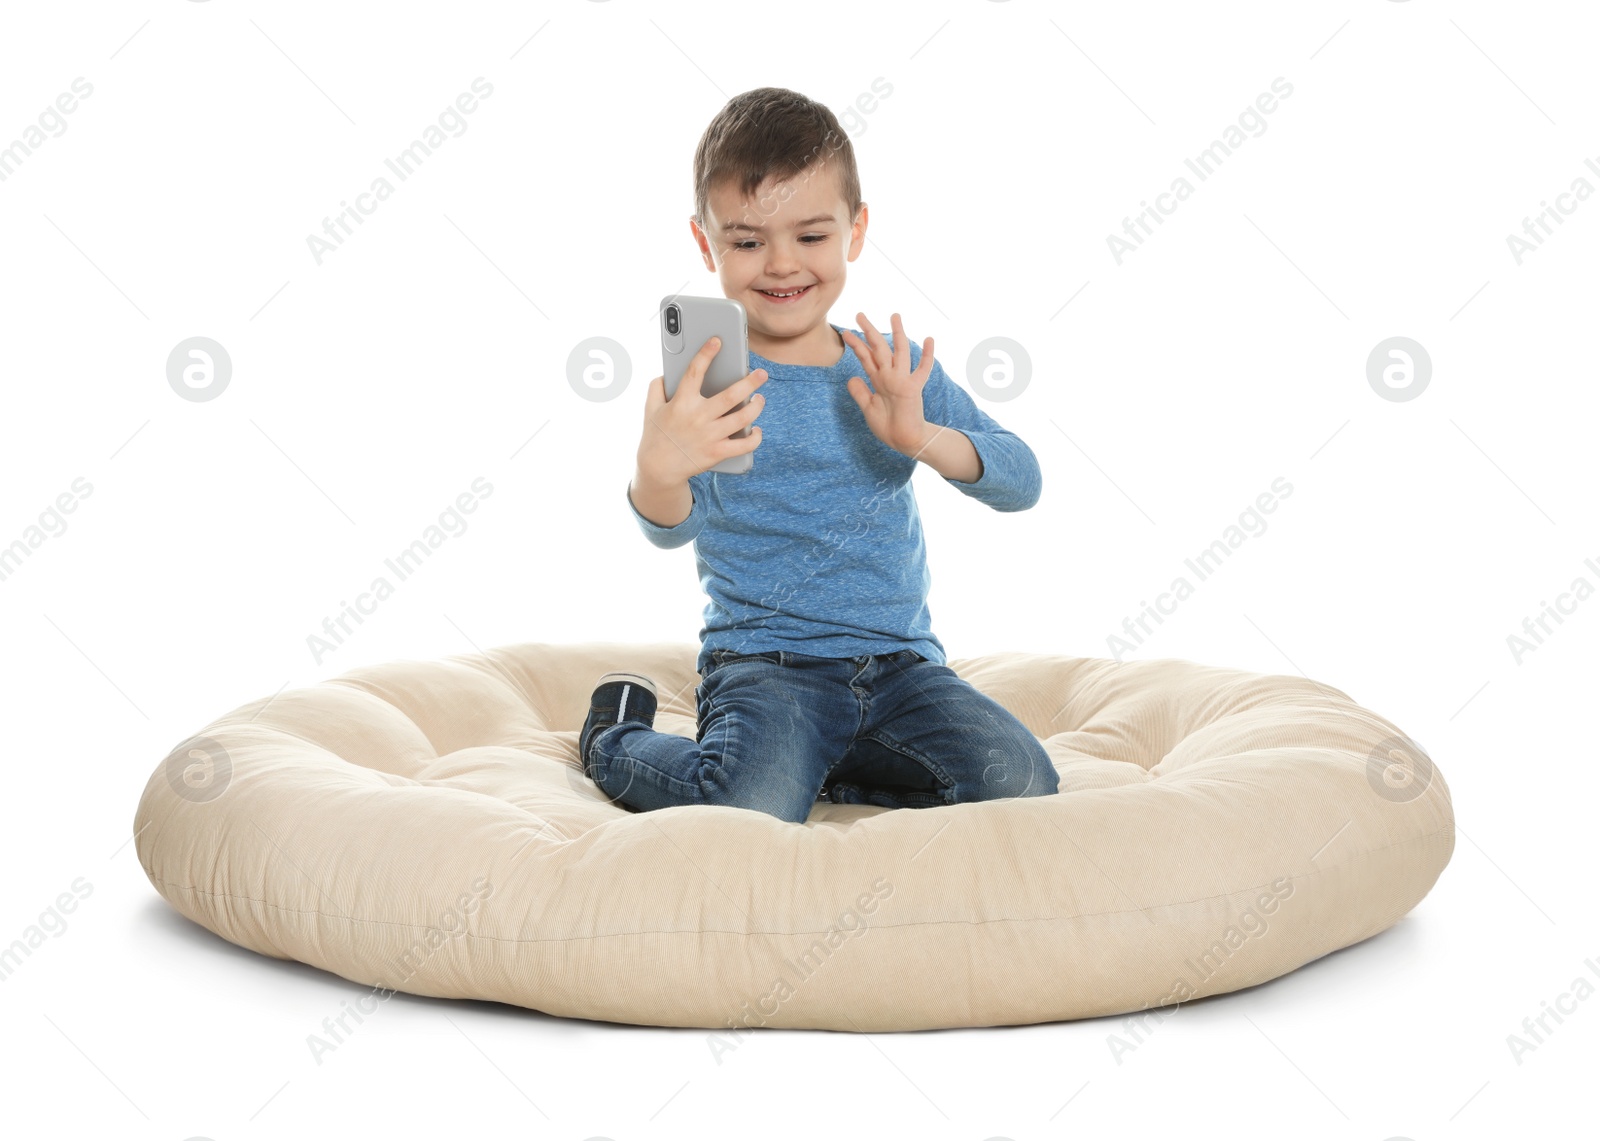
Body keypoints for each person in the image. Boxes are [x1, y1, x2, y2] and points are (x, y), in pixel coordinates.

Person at [580, 87, 1059, 824]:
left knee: (1022, 780)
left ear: (855, 231)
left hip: (902, 670)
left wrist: (921, 437)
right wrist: (660, 468)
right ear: (705, 244)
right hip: (765, 669)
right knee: (743, 803)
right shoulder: (712, 387)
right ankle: (614, 735)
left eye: (810, 236)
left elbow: (1020, 479)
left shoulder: (885, 370)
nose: (781, 266)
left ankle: (822, 775)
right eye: (746, 241)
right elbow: (670, 528)